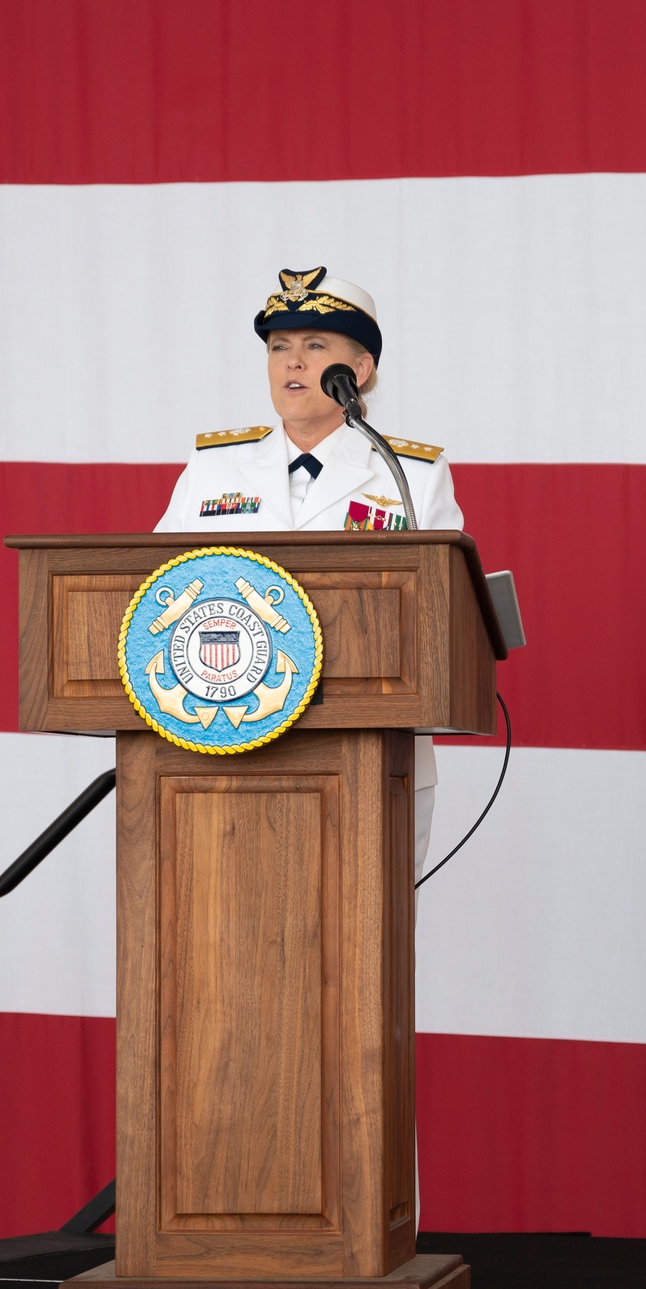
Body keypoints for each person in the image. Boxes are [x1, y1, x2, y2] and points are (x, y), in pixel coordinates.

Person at [155, 266, 464, 881]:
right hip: (227, 748)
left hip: (370, 756)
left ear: (360, 369)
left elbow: (447, 615)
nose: (292, 363)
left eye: (315, 347)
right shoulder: (214, 469)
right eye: (279, 348)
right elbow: (154, 594)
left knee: (361, 952)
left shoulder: (411, 475)